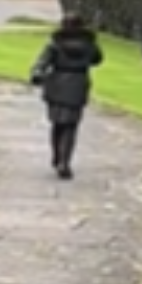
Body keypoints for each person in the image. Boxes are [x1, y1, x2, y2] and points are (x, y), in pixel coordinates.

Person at [30, 13, 104, 180]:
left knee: (57, 124)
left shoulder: (55, 44)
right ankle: (65, 160)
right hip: (78, 84)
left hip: (57, 84)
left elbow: (42, 62)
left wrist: (37, 74)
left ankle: (57, 156)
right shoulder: (89, 44)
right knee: (71, 126)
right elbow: (97, 59)